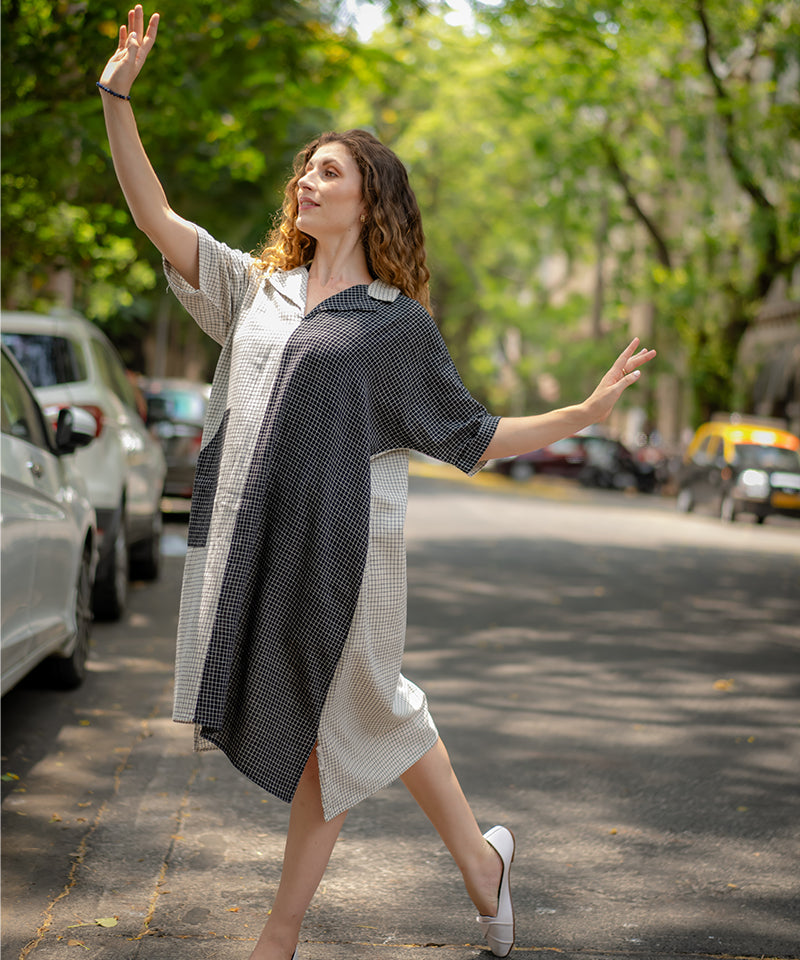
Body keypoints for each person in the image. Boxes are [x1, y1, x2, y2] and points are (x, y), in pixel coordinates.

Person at [97, 8, 656, 959]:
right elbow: (154, 214)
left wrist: (578, 418)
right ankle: (483, 866)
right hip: (260, 543)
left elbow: (472, 436)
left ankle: (281, 936)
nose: (304, 182)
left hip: (353, 550)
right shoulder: (256, 288)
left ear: (368, 201)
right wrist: (117, 97)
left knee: (346, 724)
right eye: (305, 169)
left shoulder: (396, 324)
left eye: (328, 172)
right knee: (372, 712)